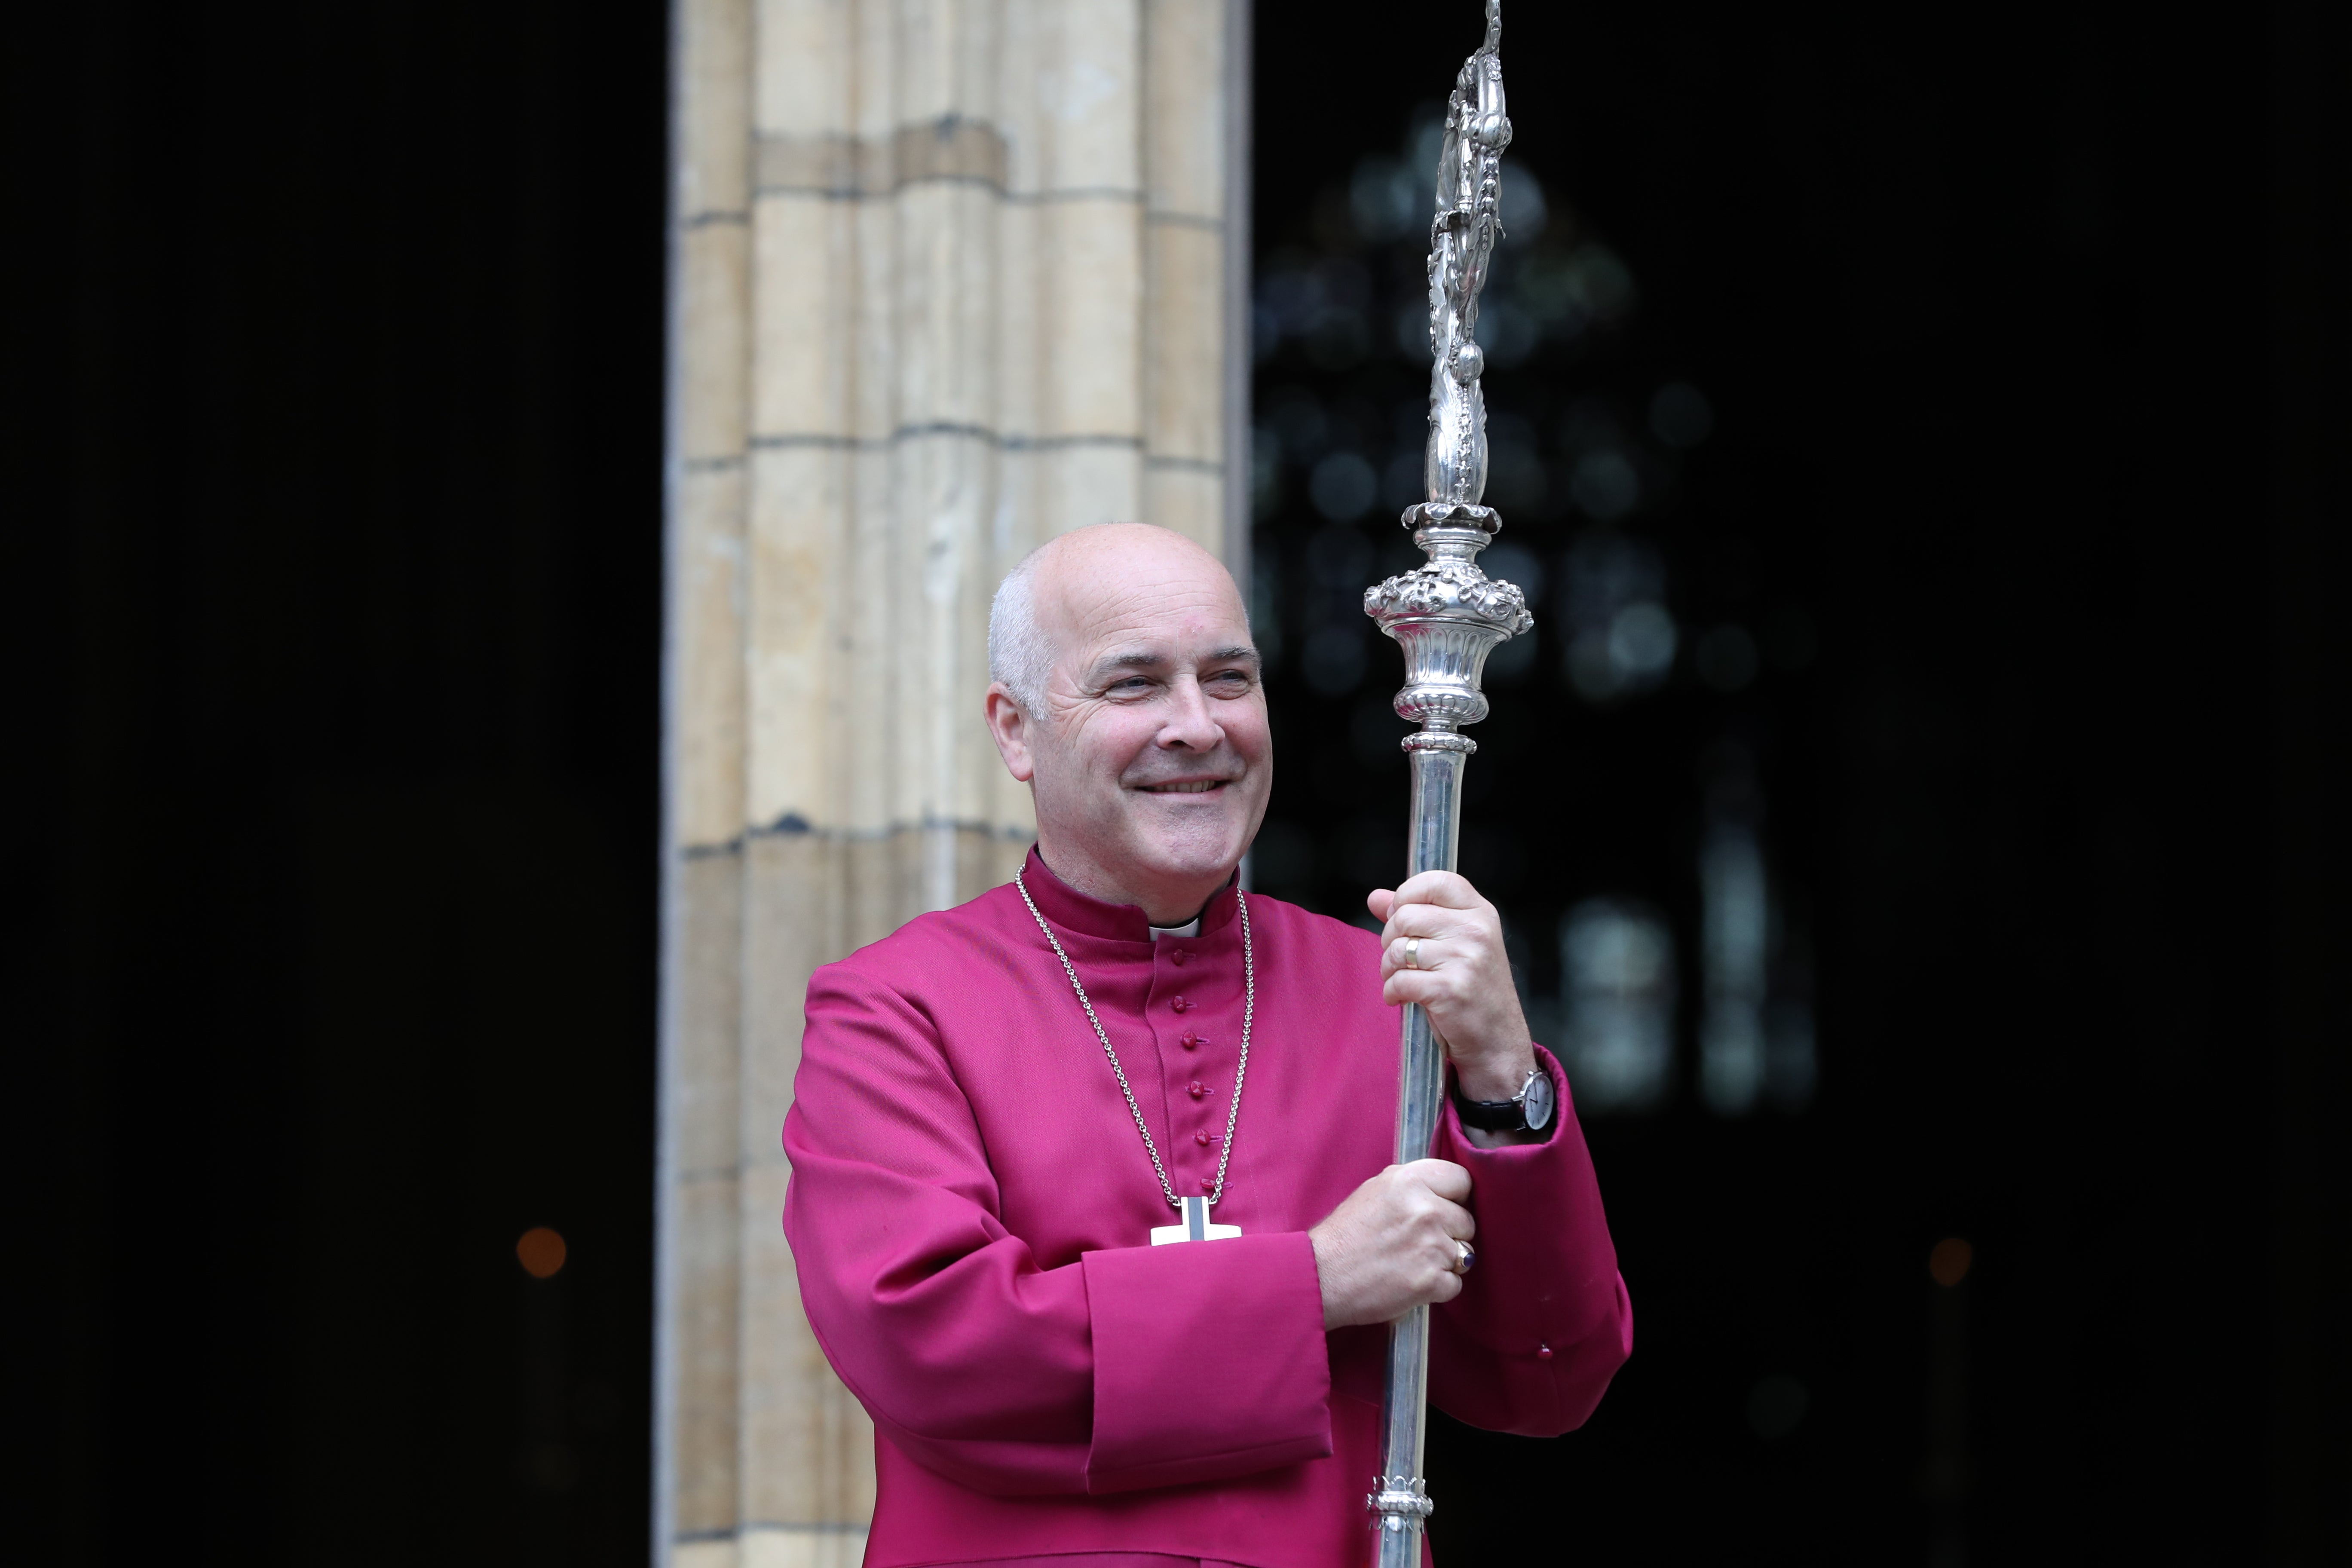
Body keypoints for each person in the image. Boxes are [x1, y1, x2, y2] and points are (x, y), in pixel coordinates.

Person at [783, 523, 1631, 1566]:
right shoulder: (896, 1007)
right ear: (1017, 731)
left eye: (1229, 678)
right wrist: (1312, 1283)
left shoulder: (1383, 996)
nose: (1198, 726)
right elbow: (930, 1346)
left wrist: (1502, 1074)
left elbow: (1547, 1377)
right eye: (1134, 685)